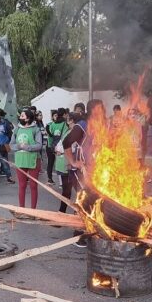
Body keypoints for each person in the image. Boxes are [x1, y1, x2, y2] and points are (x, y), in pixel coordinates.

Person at [63, 99, 105, 247]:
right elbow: (66, 142)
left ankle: (91, 230)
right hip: (82, 171)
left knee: (94, 201)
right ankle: (79, 233)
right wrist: (73, 162)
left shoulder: (101, 126)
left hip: (96, 170)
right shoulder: (82, 126)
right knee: (82, 200)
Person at [10, 109, 43, 208]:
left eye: (22, 116)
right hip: (20, 160)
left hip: (33, 160)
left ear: (28, 118)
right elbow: (11, 145)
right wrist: (19, 146)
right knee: (22, 186)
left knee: (33, 186)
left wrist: (27, 147)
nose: (20, 117)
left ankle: (33, 210)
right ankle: (22, 209)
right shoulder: (16, 130)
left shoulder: (35, 129)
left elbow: (39, 145)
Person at [56, 112, 80, 213]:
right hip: (62, 164)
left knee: (78, 191)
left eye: (68, 118)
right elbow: (60, 144)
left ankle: (77, 213)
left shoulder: (77, 132)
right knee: (66, 191)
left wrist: (61, 150)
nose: (66, 120)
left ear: (71, 120)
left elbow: (73, 147)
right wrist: (58, 149)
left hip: (71, 166)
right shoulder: (67, 131)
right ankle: (62, 213)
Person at [45, 110, 58, 185]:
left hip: (59, 147)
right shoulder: (49, 125)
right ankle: (49, 178)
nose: (56, 117)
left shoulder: (62, 124)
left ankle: (62, 182)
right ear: (52, 117)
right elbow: (49, 134)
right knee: (51, 162)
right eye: (55, 115)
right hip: (50, 146)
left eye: (57, 115)